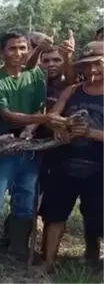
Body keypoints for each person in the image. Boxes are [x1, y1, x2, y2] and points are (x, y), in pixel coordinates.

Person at [0, 31, 60, 269]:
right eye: (13, 48)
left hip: (30, 148)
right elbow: (8, 115)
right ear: (2, 52)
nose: (19, 53)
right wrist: (46, 119)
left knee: (26, 199)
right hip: (3, 148)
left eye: (23, 48)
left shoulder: (35, 76)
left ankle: (19, 249)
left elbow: (39, 104)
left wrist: (34, 126)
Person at [37, 41, 104, 272]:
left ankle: (95, 260)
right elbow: (53, 115)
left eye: (98, 64)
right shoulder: (73, 90)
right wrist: (59, 126)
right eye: (86, 65)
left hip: (99, 167)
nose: (92, 70)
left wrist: (90, 133)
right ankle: (48, 262)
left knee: (99, 217)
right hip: (65, 163)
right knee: (54, 214)